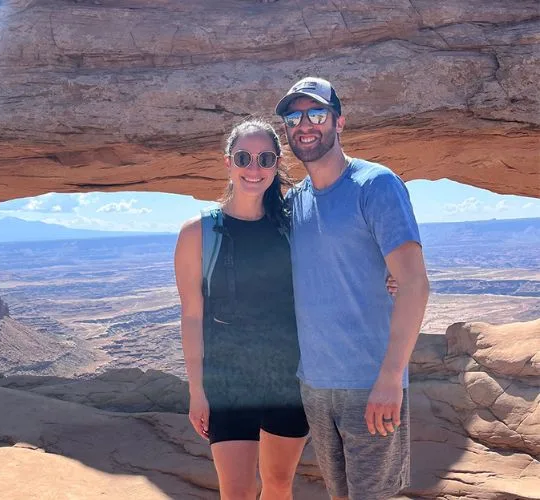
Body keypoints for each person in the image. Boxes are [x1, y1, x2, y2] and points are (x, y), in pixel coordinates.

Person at [275, 77, 430, 500]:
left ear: (339, 122)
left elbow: (414, 283)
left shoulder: (375, 185)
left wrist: (390, 378)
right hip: (316, 384)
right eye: (294, 116)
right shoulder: (295, 202)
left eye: (317, 113)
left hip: (369, 384)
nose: (305, 124)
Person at [174, 119, 309, 500]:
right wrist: (197, 391)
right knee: (236, 492)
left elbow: (338, 267)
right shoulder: (198, 233)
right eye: (244, 158)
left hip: (287, 379)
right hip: (228, 381)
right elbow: (192, 315)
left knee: (279, 485)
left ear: (277, 163)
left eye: (265, 158)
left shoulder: (293, 226)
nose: (254, 168)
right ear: (228, 163)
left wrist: (389, 278)